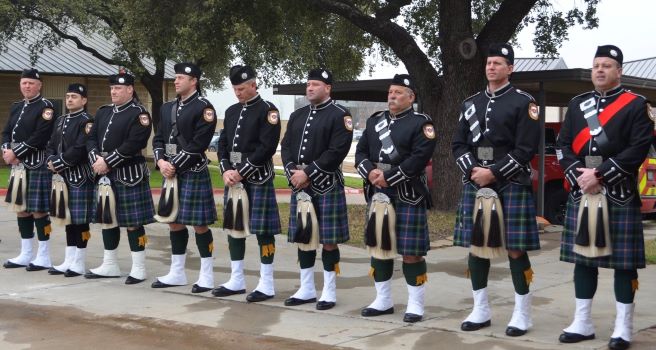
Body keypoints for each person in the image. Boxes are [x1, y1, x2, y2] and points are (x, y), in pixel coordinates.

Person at [556, 45, 653, 350]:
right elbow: (563, 145)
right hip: (583, 192)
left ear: (619, 71)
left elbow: (638, 149)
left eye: (607, 65)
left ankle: (624, 326)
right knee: (584, 260)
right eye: (596, 65)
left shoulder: (636, 105)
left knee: (624, 265)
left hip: (619, 194)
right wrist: (580, 176)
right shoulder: (577, 104)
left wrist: (599, 175)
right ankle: (582, 322)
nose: (600, 70)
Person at [452, 43, 541, 336]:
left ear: (510, 69)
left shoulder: (523, 102)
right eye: (489, 63)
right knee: (477, 249)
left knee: (516, 249)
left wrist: (494, 172)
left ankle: (523, 313)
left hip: (511, 182)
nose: (492, 67)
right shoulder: (470, 103)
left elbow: (526, 148)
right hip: (477, 183)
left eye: (498, 63)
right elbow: (458, 145)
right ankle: (480, 309)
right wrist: (474, 172)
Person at [355, 74, 436, 323]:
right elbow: (361, 152)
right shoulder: (375, 121)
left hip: (407, 194)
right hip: (378, 192)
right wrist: (370, 173)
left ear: (411, 97)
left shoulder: (421, 123)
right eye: (390, 92)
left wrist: (389, 177)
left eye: (398, 92)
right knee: (380, 248)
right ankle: (383, 300)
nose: (392, 96)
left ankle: (415, 304)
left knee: (411, 251)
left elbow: (419, 158)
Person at [280, 68, 352, 310]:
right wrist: (291, 169)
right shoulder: (298, 114)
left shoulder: (340, 114)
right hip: (300, 185)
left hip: (325, 184)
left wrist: (307, 173)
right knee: (304, 238)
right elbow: (286, 145)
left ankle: (329, 290)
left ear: (328, 88)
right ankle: (306, 288)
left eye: (315, 84)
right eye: (308, 84)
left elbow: (337, 150)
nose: (310, 88)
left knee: (329, 241)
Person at [212, 65, 281, 302]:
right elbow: (223, 145)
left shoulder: (268, 111)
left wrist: (241, 172)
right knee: (234, 229)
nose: (238, 93)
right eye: (235, 89)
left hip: (258, 178)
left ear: (253, 85)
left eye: (241, 88)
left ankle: (267, 283)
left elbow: (267, 147)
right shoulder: (231, 112)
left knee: (264, 231)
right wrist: (226, 170)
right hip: (233, 179)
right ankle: (237, 279)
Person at [151, 62, 217, 293]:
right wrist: (160, 162)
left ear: (193, 81)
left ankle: (207, 275)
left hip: (192, 171)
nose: (176, 81)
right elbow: (158, 138)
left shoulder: (204, 108)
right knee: (173, 222)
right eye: (175, 77)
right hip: (170, 171)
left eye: (180, 78)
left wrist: (174, 165)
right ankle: (177, 272)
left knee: (199, 224)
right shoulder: (167, 107)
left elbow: (198, 144)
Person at [85, 72, 155, 284]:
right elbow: (91, 139)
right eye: (112, 88)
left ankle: (139, 268)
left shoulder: (140, 114)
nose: (113, 91)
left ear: (130, 90)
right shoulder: (104, 111)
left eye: (118, 88)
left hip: (129, 175)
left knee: (134, 223)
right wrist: (96, 159)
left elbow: (135, 143)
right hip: (104, 174)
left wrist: (108, 162)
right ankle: (110, 264)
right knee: (108, 220)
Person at [2, 68, 55, 271]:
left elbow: (40, 136)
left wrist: (16, 153)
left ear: (39, 85)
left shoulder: (46, 107)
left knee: (39, 210)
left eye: (31, 83)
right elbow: (7, 131)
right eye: (24, 83)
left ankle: (44, 255)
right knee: (21, 209)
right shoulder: (16, 106)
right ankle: (25, 253)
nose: (27, 86)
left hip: (36, 164)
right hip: (18, 166)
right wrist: (6, 149)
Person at [46, 83, 94, 277]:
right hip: (62, 177)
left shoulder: (87, 121)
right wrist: (50, 159)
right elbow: (51, 144)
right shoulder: (61, 119)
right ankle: (69, 259)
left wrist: (60, 162)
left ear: (84, 100)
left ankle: (79, 262)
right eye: (67, 96)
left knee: (80, 221)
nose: (69, 99)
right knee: (68, 219)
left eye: (74, 96)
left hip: (80, 177)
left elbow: (81, 148)